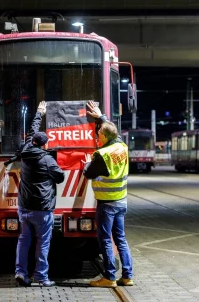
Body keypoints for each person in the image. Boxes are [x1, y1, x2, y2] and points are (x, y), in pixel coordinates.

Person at [83, 100, 134, 288]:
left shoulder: (101, 154)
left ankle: (109, 277)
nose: (97, 135)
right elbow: (115, 134)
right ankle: (127, 276)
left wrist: (86, 163)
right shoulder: (122, 146)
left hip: (106, 204)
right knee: (120, 239)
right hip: (121, 201)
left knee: (105, 239)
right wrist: (101, 117)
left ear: (104, 136)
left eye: (99, 133)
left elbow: (88, 174)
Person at [15, 101, 65, 287]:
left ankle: (20, 272)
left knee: (23, 241)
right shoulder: (47, 160)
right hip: (42, 209)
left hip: (24, 207)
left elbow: (31, 131)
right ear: (45, 145)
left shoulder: (26, 150)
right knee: (42, 243)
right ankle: (41, 277)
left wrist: (39, 113)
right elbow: (59, 177)